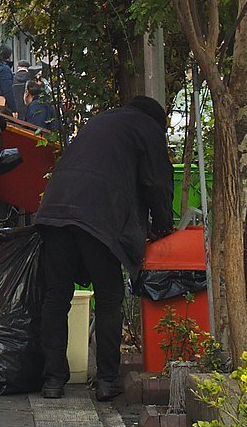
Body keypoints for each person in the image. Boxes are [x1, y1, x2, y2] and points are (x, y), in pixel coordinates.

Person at [36, 95, 174, 403]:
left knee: (56, 296)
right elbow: (157, 184)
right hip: (98, 218)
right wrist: (164, 225)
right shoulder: (148, 129)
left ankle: (53, 380)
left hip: (55, 211)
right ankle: (107, 379)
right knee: (110, 298)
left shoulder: (101, 120)